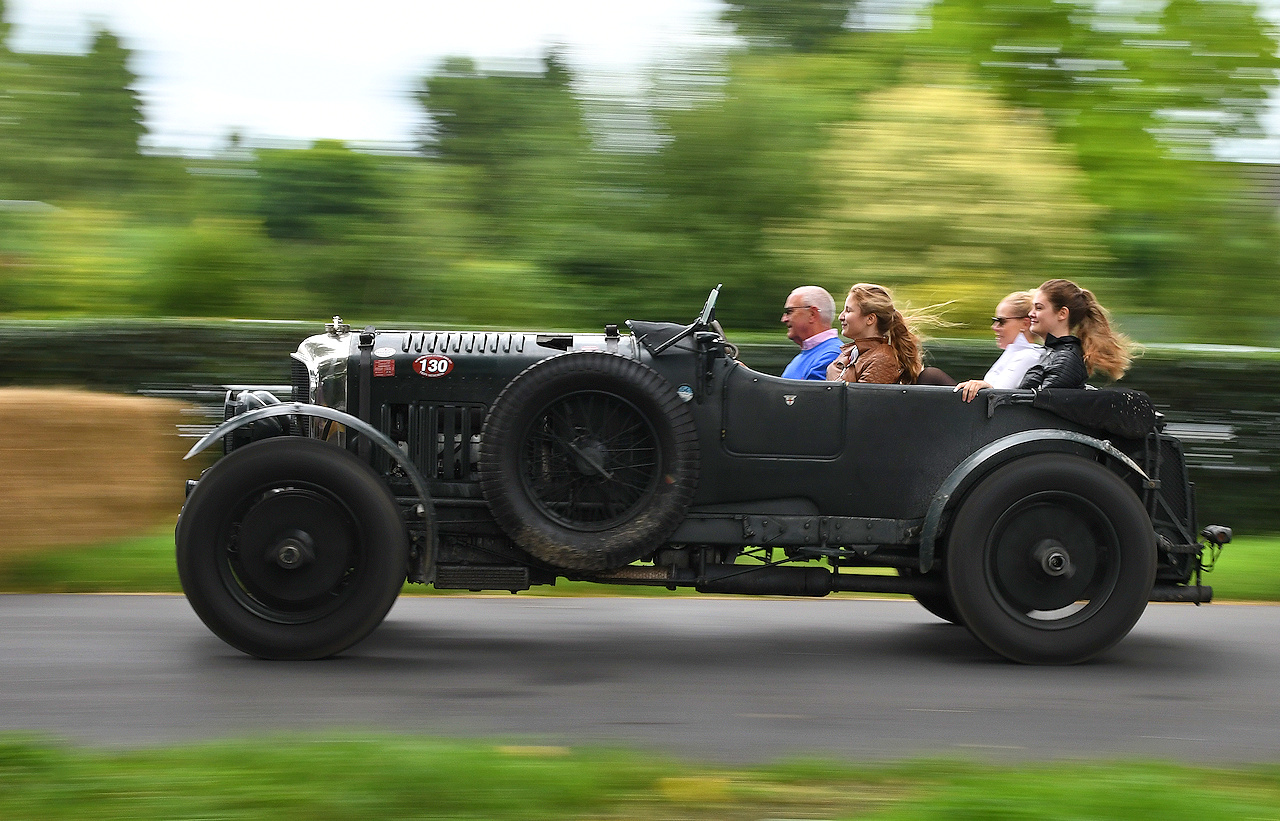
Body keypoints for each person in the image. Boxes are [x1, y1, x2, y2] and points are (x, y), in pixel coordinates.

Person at [958, 279, 1131, 400]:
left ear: (1062, 314)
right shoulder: (1052, 353)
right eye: (1032, 307)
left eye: (1039, 308)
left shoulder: (1065, 359)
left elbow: (1038, 406)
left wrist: (989, 390)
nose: (1031, 314)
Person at [827, 283, 925, 384]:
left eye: (848, 311)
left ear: (870, 319)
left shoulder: (882, 360)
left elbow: (858, 398)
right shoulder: (850, 353)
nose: (841, 317)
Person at [953, 291, 1042, 402]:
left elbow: (999, 394)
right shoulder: (1016, 352)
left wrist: (981, 385)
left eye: (1001, 322)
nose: (994, 327)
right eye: (994, 321)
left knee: (931, 375)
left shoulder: (1029, 355)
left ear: (1025, 324)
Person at [780, 286, 842, 380]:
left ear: (812, 314)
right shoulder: (802, 357)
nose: (784, 319)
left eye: (789, 312)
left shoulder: (832, 355)